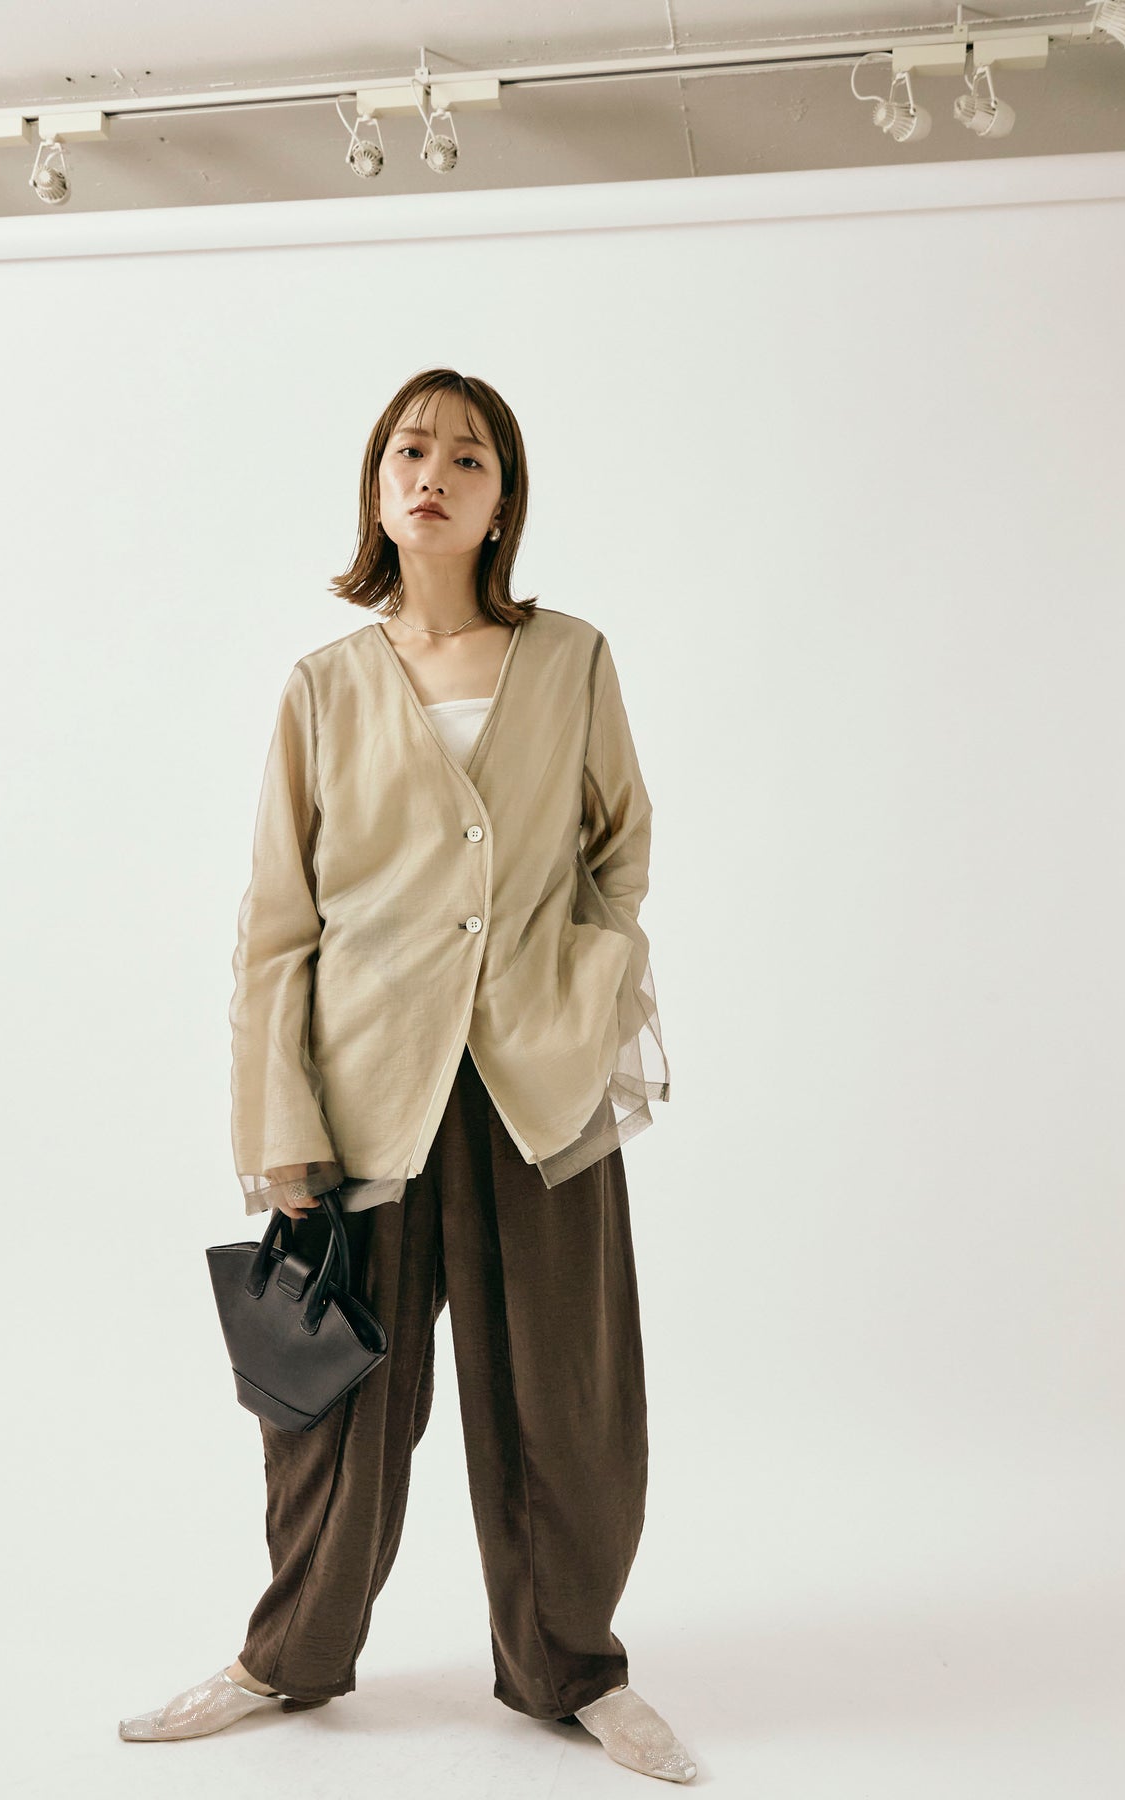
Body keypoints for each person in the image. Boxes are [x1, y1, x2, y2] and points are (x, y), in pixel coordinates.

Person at [119, 369, 694, 1783]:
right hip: (366, 1091)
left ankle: (573, 1669)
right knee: (333, 1406)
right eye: (410, 450)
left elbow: (619, 848)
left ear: (503, 501)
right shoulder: (322, 688)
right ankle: (286, 1659)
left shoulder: (572, 659)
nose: (434, 473)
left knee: (567, 1395)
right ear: (378, 487)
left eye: (469, 457)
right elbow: (276, 927)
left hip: (535, 1090)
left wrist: (586, 978)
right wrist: (281, 1127)